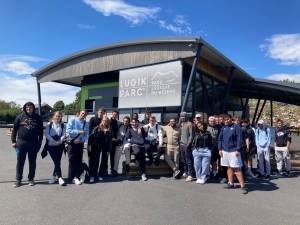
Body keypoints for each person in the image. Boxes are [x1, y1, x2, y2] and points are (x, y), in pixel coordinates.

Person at [11, 102, 43, 188]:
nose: (29, 109)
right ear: (25, 108)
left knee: (32, 161)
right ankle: (18, 180)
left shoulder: (38, 118)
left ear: (33, 108)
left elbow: (40, 130)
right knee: (20, 161)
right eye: (27, 107)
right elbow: (14, 129)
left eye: (30, 107)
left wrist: (40, 141)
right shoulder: (20, 117)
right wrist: (13, 141)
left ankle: (31, 179)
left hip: (34, 142)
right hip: (21, 142)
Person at [218, 114, 247, 194]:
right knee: (229, 167)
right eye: (225, 120)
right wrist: (220, 149)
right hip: (225, 151)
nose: (226, 121)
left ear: (231, 119)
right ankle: (231, 183)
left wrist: (238, 149)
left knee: (237, 168)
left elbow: (239, 139)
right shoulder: (223, 128)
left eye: (227, 119)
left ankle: (242, 186)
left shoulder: (236, 127)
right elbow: (220, 139)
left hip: (234, 151)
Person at [66, 110, 89, 185]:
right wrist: (78, 132)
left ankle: (75, 177)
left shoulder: (86, 124)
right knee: (71, 159)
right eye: (82, 113)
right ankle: (81, 172)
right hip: (72, 142)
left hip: (80, 143)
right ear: (79, 113)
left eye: (85, 114)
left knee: (78, 160)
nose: (83, 115)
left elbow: (87, 135)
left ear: (86, 115)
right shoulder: (72, 119)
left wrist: (81, 139)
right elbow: (68, 129)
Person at [87, 115, 112, 182]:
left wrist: (109, 150)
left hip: (105, 147)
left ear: (108, 122)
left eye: (106, 121)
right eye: (104, 121)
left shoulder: (109, 129)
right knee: (95, 160)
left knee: (104, 161)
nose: (105, 122)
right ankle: (92, 175)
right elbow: (91, 137)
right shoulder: (97, 128)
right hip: (96, 146)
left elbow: (110, 141)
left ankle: (101, 174)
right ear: (101, 121)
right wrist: (89, 145)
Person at [45, 111, 66, 186]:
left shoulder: (63, 125)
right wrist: (53, 141)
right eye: (56, 116)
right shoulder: (49, 124)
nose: (57, 117)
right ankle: (60, 177)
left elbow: (64, 134)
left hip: (60, 145)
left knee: (57, 161)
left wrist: (60, 142)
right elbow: (47, 134)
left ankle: (53, 176)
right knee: (56, 161)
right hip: (51, 145)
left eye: (59, 116)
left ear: (61, 117)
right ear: (54, 116)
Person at [179, 112, 195, 182]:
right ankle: (185, 172)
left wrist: (188, 143)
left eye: (183, 116)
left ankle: (190, 174)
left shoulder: (189, 124)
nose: (182, 118)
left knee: (188, 160)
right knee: (183, 159)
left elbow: (191, 135)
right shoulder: (181, 124)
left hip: (186, 144)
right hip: (181, 144)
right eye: (181, 116)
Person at [207, 116, 220, 181]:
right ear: (209, 121)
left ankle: (215, 174)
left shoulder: (218, 127)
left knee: (214, 161)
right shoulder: (206, 127)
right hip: (208, 147)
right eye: (211, 121)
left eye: (213, 121)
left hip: (215, 147)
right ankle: (209, 174)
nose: (212, 122)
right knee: (208, 161)